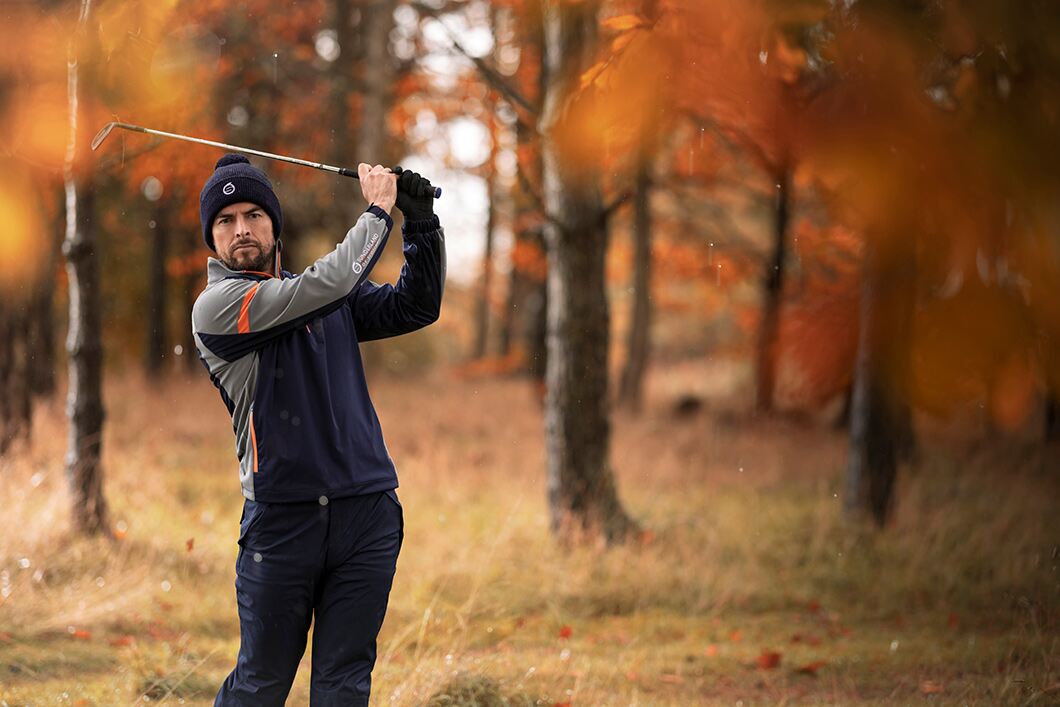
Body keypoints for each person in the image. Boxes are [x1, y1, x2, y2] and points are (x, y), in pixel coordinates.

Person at [191, 153, 445, 706]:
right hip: (283, 523)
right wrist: (379, 210)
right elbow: (321, 287)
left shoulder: (326, 293)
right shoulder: (218, 308)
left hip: (365, 513)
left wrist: (421, 222)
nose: (242, 230)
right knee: (260, 685)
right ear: (211, 239)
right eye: (226, 221)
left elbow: (416, 306)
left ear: (274, 225)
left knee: (344, 686)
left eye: (254, 214)